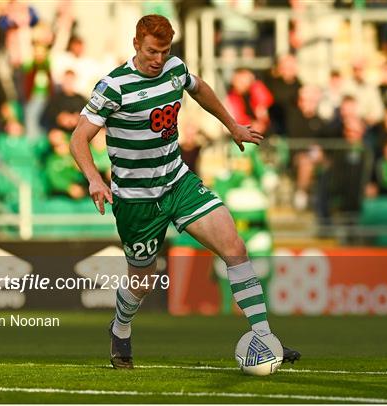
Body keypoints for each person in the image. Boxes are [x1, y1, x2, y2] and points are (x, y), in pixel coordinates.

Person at [70, 14, 301, 369]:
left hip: (178, 181)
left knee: (234, 247)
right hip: (136, 199)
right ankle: (120, 328)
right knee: (142, 282)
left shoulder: (175, 68)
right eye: (151, 51)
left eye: (163, 51)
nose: (157, 59)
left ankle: (267, 339)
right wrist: (95, 179)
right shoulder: (113, 86)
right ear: (136, 44)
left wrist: (232, 125)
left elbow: (200, 87)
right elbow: (79, 137)